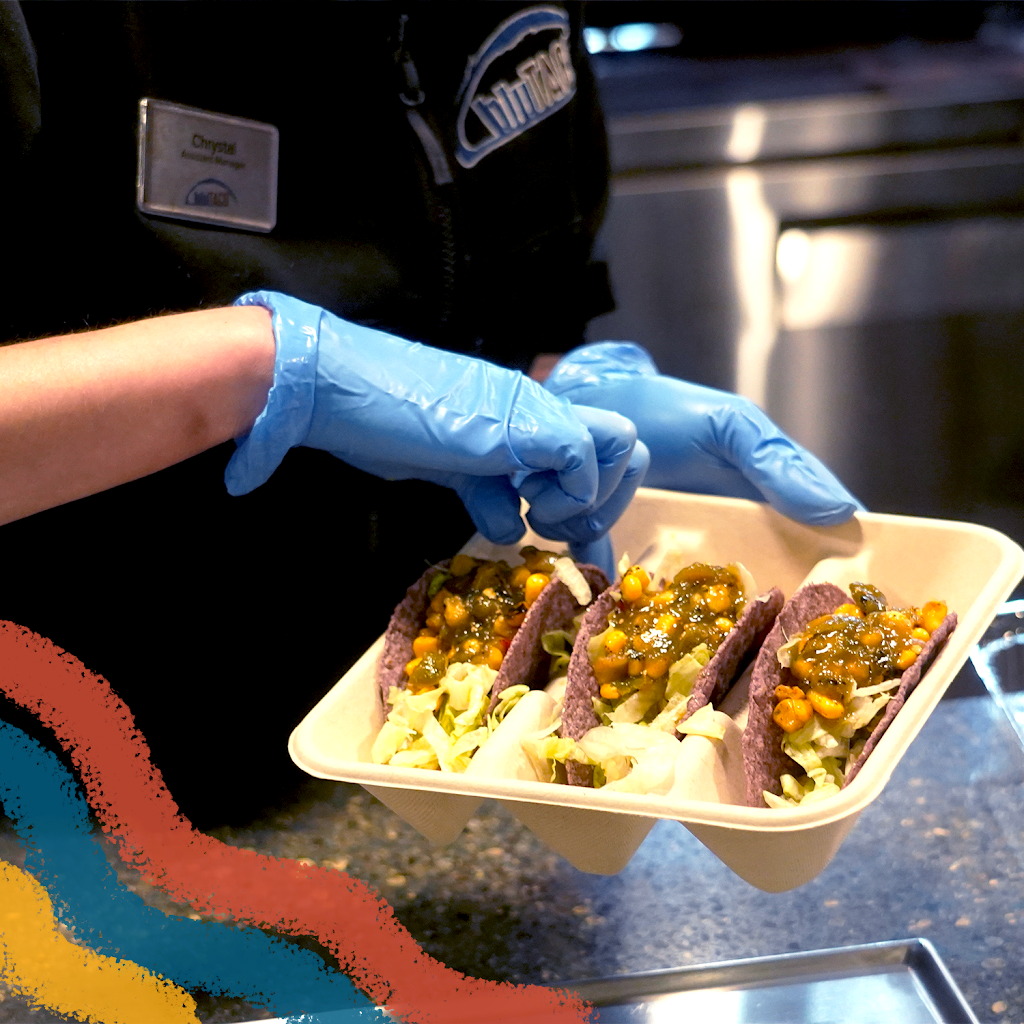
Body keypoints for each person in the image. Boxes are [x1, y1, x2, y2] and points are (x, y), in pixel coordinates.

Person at [0, 2, 859, 826]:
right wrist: (256, 367)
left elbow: (504, 282)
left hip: (460, 753)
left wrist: (544, 382)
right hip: (80, 774)